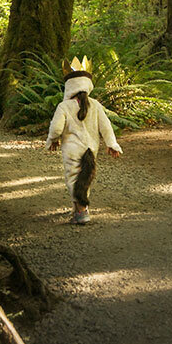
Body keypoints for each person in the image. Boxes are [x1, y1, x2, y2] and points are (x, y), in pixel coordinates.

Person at [46, 56, 122, 225]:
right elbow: (106, 127)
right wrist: (112, 144)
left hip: (72, 149)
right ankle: (80, 208)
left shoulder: (64, 106)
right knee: (86, 176)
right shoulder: (95, 105)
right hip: (91, 148)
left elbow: (56, 128)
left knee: (73, 176)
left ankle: (81, 211)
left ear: (69, 85)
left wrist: (52, 139)